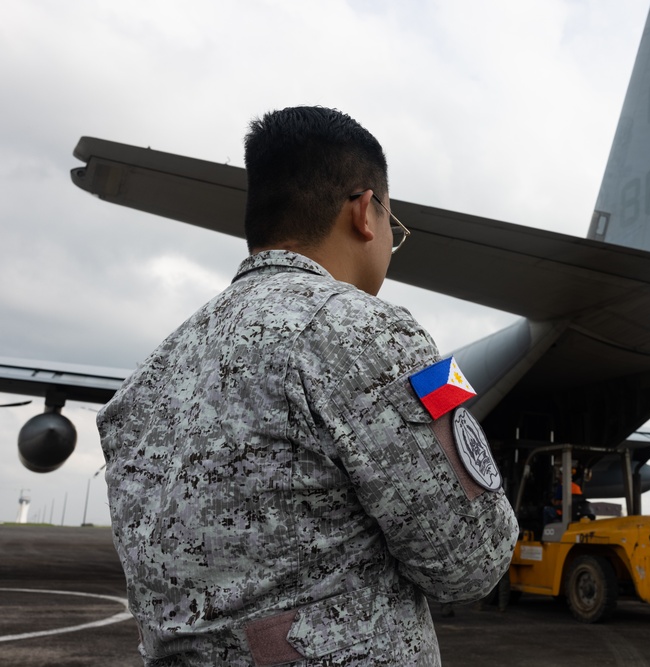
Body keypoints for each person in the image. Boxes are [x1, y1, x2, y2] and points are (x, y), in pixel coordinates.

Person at [97, 106, 520, 666]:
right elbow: (475, 558)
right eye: (393, 228)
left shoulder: (142, 385)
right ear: (365, 212)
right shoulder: (378, 332)